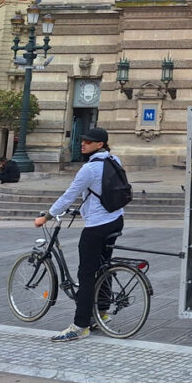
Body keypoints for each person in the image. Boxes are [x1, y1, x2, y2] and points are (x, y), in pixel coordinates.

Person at [34, 127, 124, 342]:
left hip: (97, 225)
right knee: (103, 266)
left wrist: (46, 217)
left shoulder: (89, 169)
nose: (82, 144)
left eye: (88, 142)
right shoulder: (114, 160)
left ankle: (80, 325)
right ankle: (101, 312)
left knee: (86, 274)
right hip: (116, 219)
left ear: (100, 144)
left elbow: (69, 196)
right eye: (83, 140)